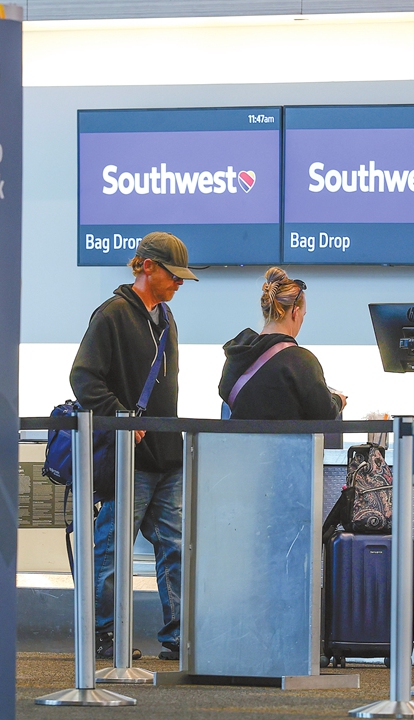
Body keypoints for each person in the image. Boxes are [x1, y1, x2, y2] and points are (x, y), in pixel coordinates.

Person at [69, 232, 197, 661]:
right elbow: (83, 379)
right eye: (172, 274)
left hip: (168, 455)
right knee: (111, 547)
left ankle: (178, 636)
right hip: (130, 459)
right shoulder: (111, 316)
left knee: (176, 546)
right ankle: (102, 635)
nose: (179, 283)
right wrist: (121, 417)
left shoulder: (165, 318)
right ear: (146, 266)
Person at [218, 267, 346, 420]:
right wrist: (338, 400)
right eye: (303, 315)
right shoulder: (300, 360)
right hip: (288, 444)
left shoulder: (238, 353)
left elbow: (226, 393)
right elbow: (324, 413)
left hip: (240, 444)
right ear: (295, 312)